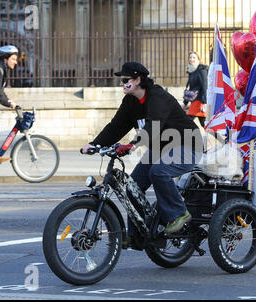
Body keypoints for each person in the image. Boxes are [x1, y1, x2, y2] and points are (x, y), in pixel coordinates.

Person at [81, 62, 203, 247]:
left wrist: (132, 145)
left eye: (125, 80)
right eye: (121, 80)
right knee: (132, 187)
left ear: (138, 80)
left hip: (188, 144)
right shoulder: (130, 101)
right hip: (161, 149)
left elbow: (153, 126)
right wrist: (94, 144)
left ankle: (179, 213)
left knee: (158, 172)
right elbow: (116, 126)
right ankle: (138, 237)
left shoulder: (157, 96)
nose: (122, 84)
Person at [183, 51, 208, 127]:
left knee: (187, 122)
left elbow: (204, 86)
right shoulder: (191, 70)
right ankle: (220, 137)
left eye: (194, 57)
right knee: (204, 124)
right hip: (194, 100)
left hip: (199, 101)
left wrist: (204, 102)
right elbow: (191, 89)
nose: (191, 59)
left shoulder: (201, 70)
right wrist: (185, 103)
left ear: (198, 59)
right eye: (190, 57)